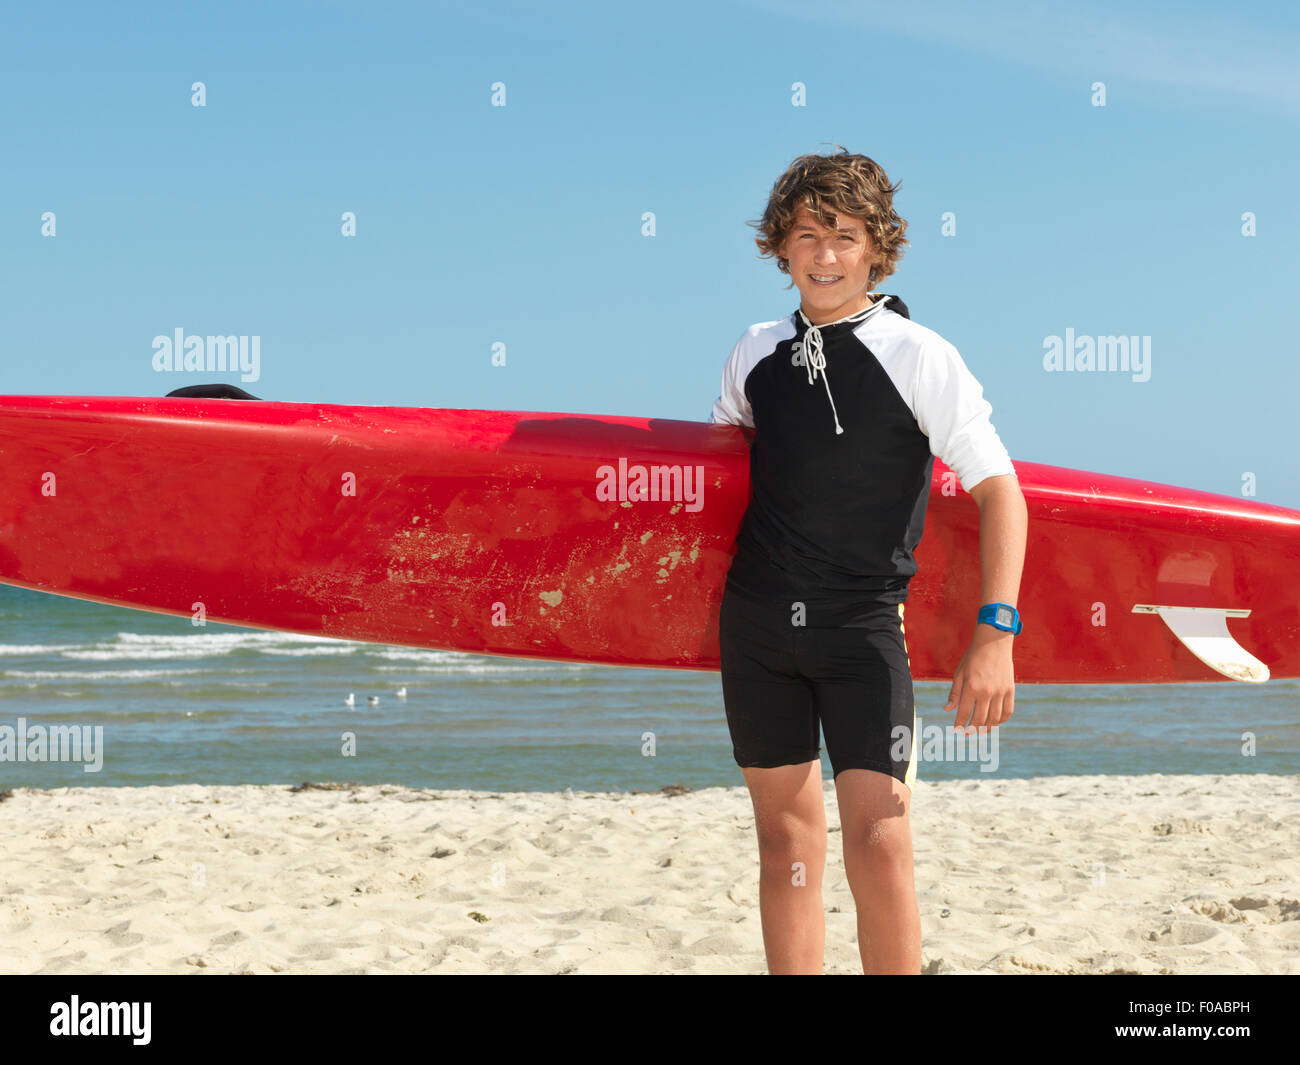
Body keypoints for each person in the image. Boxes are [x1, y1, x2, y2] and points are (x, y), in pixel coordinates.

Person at [709, 147, 1028, 974]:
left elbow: (1001, 491)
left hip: (861, 630)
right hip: (757, 626)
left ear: (875, 249)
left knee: (880, 837)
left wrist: (995, 630)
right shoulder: (752, 353)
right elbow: (718, 484)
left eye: (844, 236)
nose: (824, 255)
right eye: (807, 234)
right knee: (784, 841)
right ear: (780, 246)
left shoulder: (919, 355)